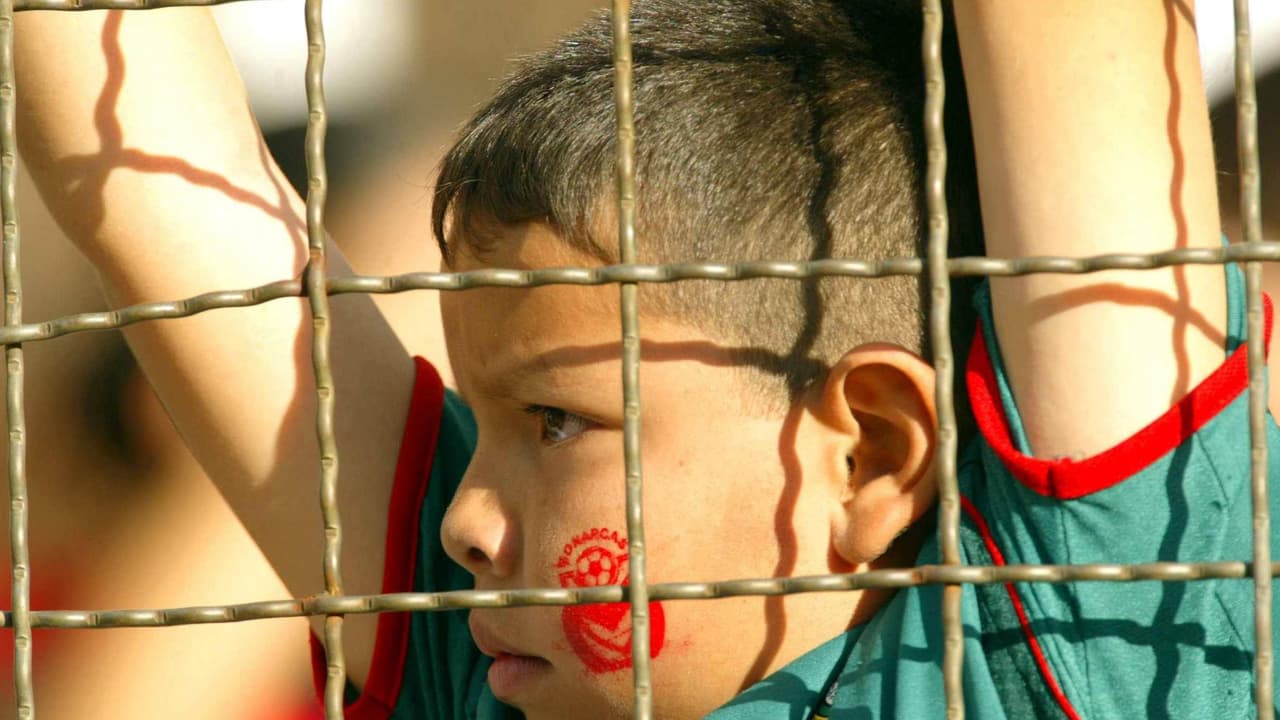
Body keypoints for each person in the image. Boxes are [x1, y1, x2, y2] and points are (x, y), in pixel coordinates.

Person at [13, 1, 1276, 719]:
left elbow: (1070, 41)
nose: (460, 519)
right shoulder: (483, 663)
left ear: (870, 453)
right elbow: (145, 175)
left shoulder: (1086, 636)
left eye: (555, 421)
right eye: (483, 422)